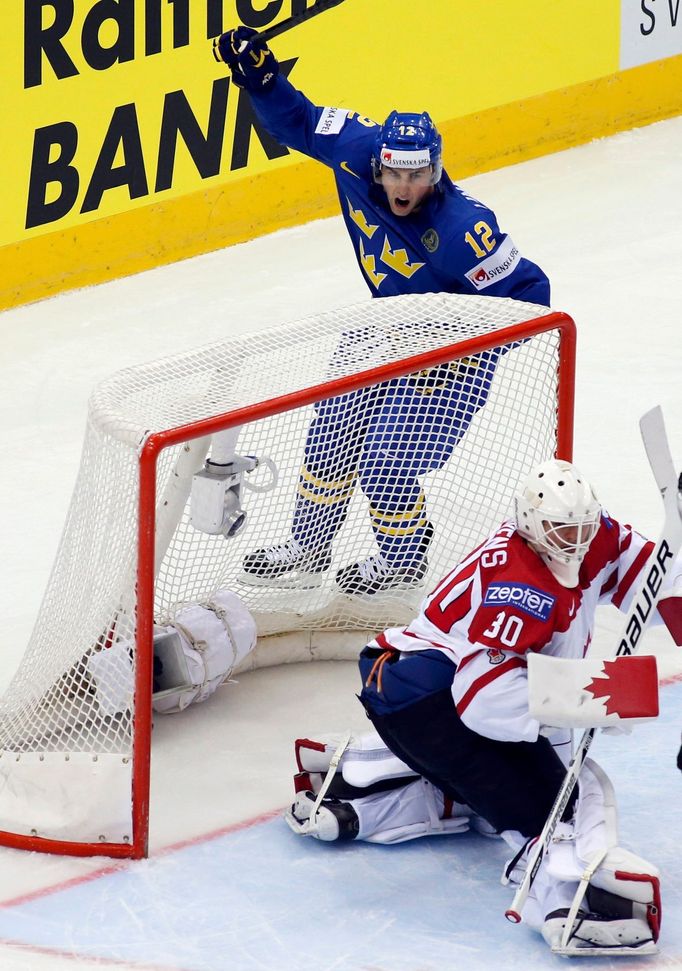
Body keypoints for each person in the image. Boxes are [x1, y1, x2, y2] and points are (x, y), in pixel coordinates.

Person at [283, 459, 682, 955]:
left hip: (416, 680)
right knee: (563, 807)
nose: (573, 539)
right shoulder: (522, 590)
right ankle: (565, 898)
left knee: (523, 766)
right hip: (421, 694)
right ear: (531, 526)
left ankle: (371, 789)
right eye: (560, 529)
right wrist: (591, 694)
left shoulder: (595, 533)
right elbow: (484, 701)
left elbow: (653, 575)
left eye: (581, 525)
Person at [214, 28, 552, 595]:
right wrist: (261, 79)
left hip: (451, 365)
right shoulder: (354, 147)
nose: (403, 186)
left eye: (417, 175)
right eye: (395, 173)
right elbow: (295, 121)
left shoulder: (465, 229)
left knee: (386, 460)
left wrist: (453, 343)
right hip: (382, 332)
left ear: (435, 171)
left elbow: (533, 298)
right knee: (331, 433)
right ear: (379, 164)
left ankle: (402, 560)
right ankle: (308, 548)